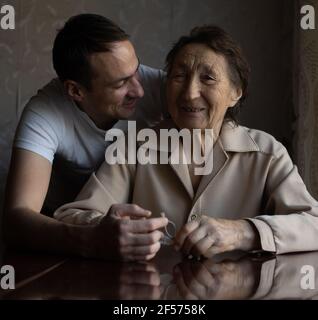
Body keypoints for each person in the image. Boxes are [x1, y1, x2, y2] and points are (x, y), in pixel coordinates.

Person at [54, 25, 318, 260]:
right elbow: (71, 217)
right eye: (179, 76)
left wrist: (244, 232)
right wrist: (107, 231)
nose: (190, 93)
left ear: (236, 93)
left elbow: (313, 225)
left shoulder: (266, 153)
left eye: (208, 78)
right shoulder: (134, 148)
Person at [3, 13, 168, 261]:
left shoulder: (154, 85)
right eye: (121, 83)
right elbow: (16, 218)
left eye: (137, 71)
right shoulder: (45, 113)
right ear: (76, 90)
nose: (139, 89)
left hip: (147, 227)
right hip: (68, 231)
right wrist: (91, 240)